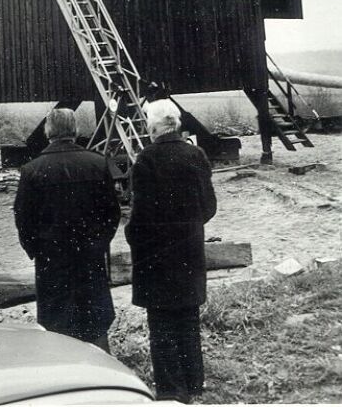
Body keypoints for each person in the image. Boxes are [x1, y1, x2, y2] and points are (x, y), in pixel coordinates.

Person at [125, 99, 217, 403]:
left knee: (162, 324)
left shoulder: (146, 160)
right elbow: (209, 207)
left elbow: (140, 216)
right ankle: (194, 385)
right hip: (189, 251)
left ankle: (171, 391)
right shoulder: (196, 155)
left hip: (156, 256)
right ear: (176, 123)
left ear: (152, 126)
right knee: (188, 320)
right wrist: (187, 227)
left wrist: (134, 237)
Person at [14, 108, 120, 350]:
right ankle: (101, 375)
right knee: (94, 324)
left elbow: (23, 219)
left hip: (51, 260)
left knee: (57, 327)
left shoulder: (32, 170)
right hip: (90, 257)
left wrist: (36, 250)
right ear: (75, 130)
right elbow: (112, 213)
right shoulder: (97, 163)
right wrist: (100, 243)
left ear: (48, 131)